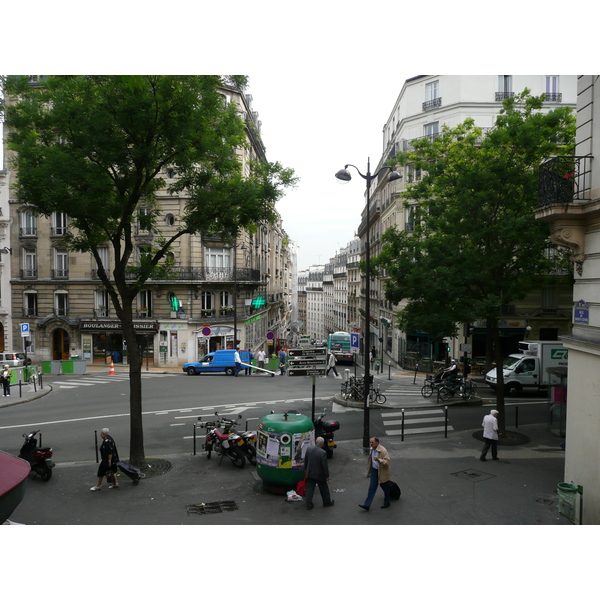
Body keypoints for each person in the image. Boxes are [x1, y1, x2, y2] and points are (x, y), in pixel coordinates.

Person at [359, 437, 392, 510]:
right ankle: (367, 505)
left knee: (385, 487)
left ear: (377, 442)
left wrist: (379, 460)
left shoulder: (383, 450)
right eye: (370, 442)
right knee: (372, 487)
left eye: (372, 442)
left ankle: (387, 502)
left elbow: (387, 462)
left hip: (382, 472)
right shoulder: (372, 449)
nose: (371, 444)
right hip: (374, 470)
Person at [303, 437, 334, 510]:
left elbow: (306, 460)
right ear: (322, 444)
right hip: (319, 473)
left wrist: (305, 470)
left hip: (310, 472)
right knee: (324, 488)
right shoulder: (323, 453)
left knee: (309, 489)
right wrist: (327, 476)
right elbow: (324, 466)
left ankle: (308, 504)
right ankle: (326, 502)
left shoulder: (309, 449)